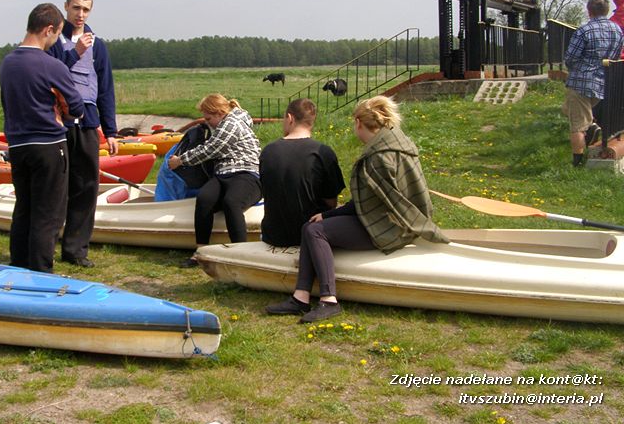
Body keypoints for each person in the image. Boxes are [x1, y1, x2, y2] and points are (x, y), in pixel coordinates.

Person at [265, 95, 449, 323]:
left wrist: (327, 215)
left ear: (359, 123)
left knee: (315, 230)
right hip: (391, 219)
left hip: (387, 226)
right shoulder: (398, 144)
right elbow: (375, 200)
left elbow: (365, 204)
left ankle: (328, 300)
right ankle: (300, 298)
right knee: (310, 227)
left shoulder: (378, 157)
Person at [0, 3, 85, 273]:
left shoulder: (7, 63)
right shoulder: (51, 65)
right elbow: (77, 107)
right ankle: (40, 273)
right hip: (48, 145)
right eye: (57, 34)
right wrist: (62, 108)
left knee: (24, 208)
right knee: (48, 214)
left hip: (18, 145)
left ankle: (18, 266)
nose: (56, 40)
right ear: (48, 29)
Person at [46, 0, 118, 268]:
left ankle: (76, 250)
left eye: (86, 9)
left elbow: (106, 88)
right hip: (59, 123)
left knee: (87, 187)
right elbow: (49, 75)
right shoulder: (54, 40)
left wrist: (110, 131)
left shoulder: (98, 45)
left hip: (87, 123)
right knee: (56, 186)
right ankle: (46, 247)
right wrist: (75, 53)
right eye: (76, 8)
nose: (80, 14)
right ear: (66, 6)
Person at [168, 94, 262, 267]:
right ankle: (200, 251)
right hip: (223, 174)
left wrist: (180, 160)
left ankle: (241, 253)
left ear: (219, 113)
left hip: (247, 173)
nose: (207, 122)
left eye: (208, 119)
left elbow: (210, 149)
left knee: (231, 202)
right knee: (204, 199)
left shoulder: (232, 123)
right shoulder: (224, 122)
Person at [259, 98, 345, 247]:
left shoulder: (268, 151)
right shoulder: (323, 152)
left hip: (274, 235)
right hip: (312, 234)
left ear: (290, 118)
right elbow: (331, 202)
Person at [563, 0, 624, 166]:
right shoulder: (617, 30)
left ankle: (577, 162)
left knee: (577, 125)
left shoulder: (584, 30)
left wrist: (576, 69)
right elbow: (615, 56)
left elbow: (570, 58)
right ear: (606, 10)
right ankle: (591, 127)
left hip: (581, 83)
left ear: (589, 11)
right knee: (568, 109)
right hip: (602, 82)